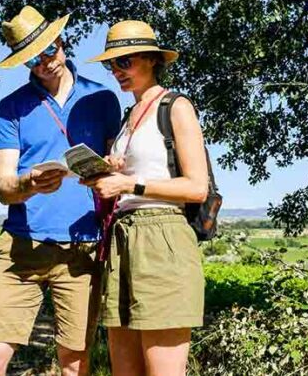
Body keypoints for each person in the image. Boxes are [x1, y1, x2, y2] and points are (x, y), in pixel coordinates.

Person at [0, 5, 121, 376]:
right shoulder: (10, 109)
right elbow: (4, 188)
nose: (44, 63)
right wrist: (28, 183)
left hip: (82, 250)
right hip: (21, 248)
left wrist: (108, 171)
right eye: (32, 59)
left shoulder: (102, 99)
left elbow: (119, 165)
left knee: (74, 365)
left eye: (48, 51)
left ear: (61, 41)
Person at [82, 20, 208, 376]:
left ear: (152, 59)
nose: (117, 72)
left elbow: (196, 187)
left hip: (162, 238)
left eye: (126, 61)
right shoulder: (127, 117)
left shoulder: (176, 106)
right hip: (121, 240)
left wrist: (128, 184)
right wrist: (109, 173)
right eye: (112, 65)